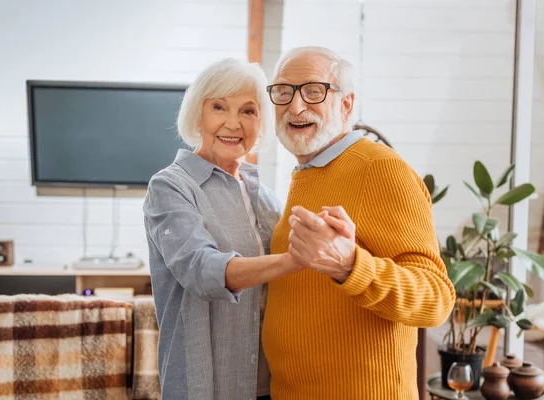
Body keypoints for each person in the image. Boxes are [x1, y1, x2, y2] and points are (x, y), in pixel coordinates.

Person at [262, 46, 457, 399]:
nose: (294, 106)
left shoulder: (380, 168)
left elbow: (436, 299)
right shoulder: (309, 171)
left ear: (346, 105)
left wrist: (350, 265)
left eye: (313, 91)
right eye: (283, 91)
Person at [143, 58, 304, 400]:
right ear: (197, 115)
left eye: (248, 111)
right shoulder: (171, 187)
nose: (233, 123)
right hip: (207, 384)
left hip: (271, 383)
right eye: (219, 107)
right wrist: (295, 259)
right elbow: (202, 271)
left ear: (261, 122)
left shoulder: (267, 198)